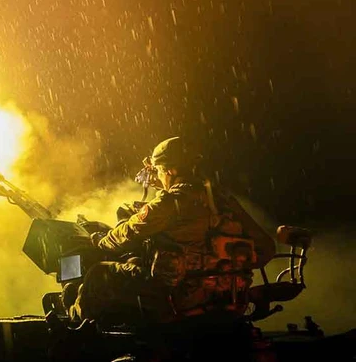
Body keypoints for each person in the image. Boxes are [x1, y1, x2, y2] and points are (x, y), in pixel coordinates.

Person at [70, 136, 276, 324]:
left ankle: (77, 323)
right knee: (134, 263)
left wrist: (100, 240)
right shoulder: (225, 203)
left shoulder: (169, 203)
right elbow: (266, 249)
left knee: (99, 273)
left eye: (160, 171)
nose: (158, 176)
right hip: (227, 297)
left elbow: (127, 233)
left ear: (170, 170)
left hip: (178, 297)